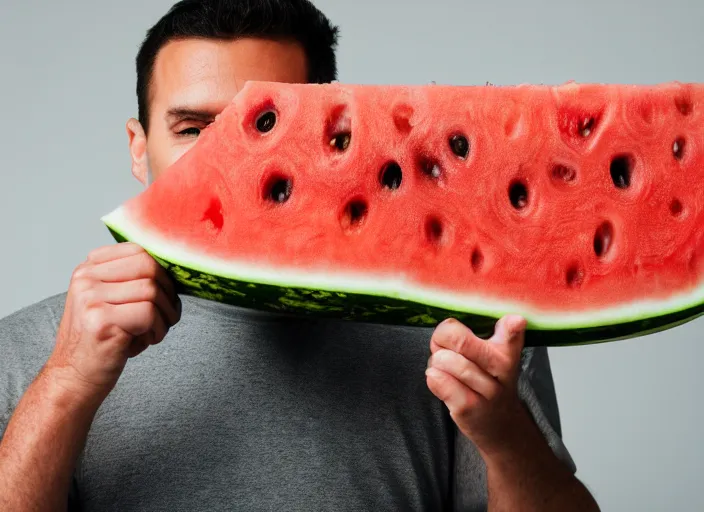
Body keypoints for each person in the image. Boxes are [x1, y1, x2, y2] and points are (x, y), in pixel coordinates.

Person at [0, 1, 600, 510]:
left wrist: (505, 436)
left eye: (262, 126)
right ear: (139, 147)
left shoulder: (462, 330)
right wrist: (67, 383)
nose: (228, 163)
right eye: (191, 130)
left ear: (334, 137)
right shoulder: (33, 349)